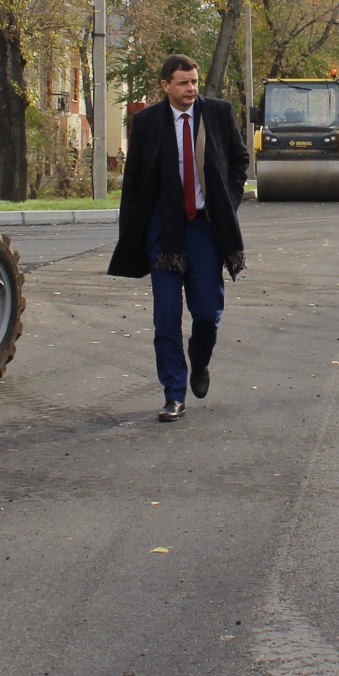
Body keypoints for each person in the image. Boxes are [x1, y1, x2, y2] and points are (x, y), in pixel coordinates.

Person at [108, 53, 248, 421]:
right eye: (183, 83)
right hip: (164, 232)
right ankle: (173, 393)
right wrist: (133, 234)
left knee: (207, 313)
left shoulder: (217, 113)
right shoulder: (147, 122)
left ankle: (199, 361)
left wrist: (227, 204)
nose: (191, 89)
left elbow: (239, 160)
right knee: (166, 315)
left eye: (194, 82)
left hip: (204, 228)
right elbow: (134, 182)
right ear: (165, 85)